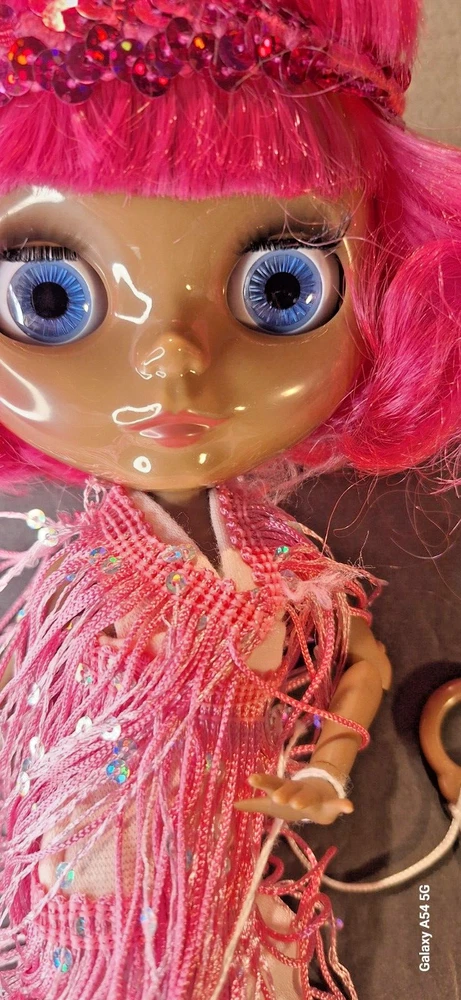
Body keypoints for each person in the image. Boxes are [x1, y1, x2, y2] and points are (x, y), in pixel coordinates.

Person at [0, 1, 459, 997]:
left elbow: (364, 661)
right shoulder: (74, 568)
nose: (171, 362)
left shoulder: (286, 562)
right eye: (47, 299)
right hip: (95, 875)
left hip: (234, 872)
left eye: (279, 287)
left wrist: (328, 765)